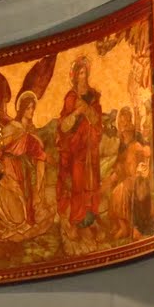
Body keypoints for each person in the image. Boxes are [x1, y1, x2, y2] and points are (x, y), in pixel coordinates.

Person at [0, 91, 49, 242]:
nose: (31, 112)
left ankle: (25, 220)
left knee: (26, 198)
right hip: (9, 167)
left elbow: (36, 149)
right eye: (28, 108)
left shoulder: (30, 130)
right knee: (14, 201)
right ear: (21, 110)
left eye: (32, 108)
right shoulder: (12, 128)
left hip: (24, 168)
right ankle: (8, 221)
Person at [57, 56, 103, 250]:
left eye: (85, 72)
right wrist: (76, 112)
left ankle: (89, 220)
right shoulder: (71, 97)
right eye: (80, 72)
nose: (83, 76)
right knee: (77, 183)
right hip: (75, 150)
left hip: (90, 150)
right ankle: (75, 221)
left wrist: (87, 110)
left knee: (91, 184)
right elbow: (64, 126)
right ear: (75, 75)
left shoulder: (93, 96)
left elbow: (97, 120)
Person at [104, 106, 152, 240]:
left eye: (125, 121)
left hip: (138, 177)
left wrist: (142, 153)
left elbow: (146, 150)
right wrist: (113, 176)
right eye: (121, 121)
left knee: (121, 191)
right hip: (128, 176)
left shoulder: (136, 136)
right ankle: (122, 226)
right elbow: (120, 162)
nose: (123, 124)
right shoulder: (122, 141)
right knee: (114, 191)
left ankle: (132, 227)